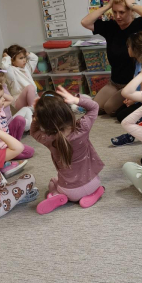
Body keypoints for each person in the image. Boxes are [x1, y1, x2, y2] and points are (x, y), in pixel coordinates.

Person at [31, 87, 105, 215]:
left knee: (52, 182)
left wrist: (36, 116)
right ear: (68, 111)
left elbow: (33, 131)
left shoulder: (47, 139)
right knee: (92, 182)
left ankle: (56, 195)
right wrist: (76, 100)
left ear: (43, 123)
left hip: (68, 191)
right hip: (93, 183)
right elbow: (94, 107)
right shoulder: (82, 128)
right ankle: (95, 193)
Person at [80, 0, 142, 115]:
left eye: (122, 12)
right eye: (114, 12)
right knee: (94, 108)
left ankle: (136, 103)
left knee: (109, 108)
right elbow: (85, 22)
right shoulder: (111, 26)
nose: (118, 16)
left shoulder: (140, 25)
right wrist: (108, 5)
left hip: (132, 85)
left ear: (130, 10)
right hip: (114, 83)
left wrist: (131, 4)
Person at [115, 31, 142, 124]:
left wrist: (134, 99)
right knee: (119, 112)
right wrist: (132, 99)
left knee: (121, 116)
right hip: (138, 97)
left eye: (129, 46)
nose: (127, 49)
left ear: (135, 48)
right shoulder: (137, 62)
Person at [1, 44, 38, 128]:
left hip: (32, 98)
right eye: (21, 58)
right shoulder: (11, 72)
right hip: (19, 100)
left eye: (24, 57)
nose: (24, 60)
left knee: (46, 99)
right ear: (12, 61)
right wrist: (7, 58)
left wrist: (26, 53)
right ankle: (34, 110)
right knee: (30, 87)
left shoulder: (26, 68)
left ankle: (34, 113)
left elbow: (35, 58)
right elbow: (5, 67)